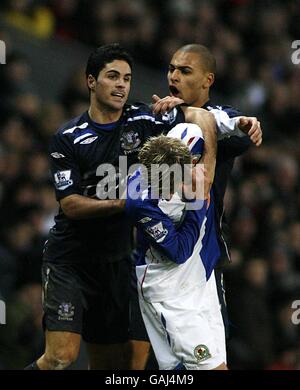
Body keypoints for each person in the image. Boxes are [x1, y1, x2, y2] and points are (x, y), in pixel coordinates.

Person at [25, 43, 225, 370]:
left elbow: (199, 115)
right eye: (112, 76)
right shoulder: (68, 137)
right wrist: (128, 204)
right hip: (71, 261)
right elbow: (71, 205)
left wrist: (211, 161)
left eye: (127, 79)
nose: (121, 85)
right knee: (61, 358)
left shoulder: (142, 119)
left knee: (112, 366)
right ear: (91, 81)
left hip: (117, 263)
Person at [128, 44, 263, 369]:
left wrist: (192, 115)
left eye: (185, 71)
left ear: (207, 79)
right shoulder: (153, 118)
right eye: (172, 68)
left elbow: (242, 135)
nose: (174, 76)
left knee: (198, 362)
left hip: (201, 260)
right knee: (137, 359)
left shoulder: (221, 119)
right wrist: (176, 115)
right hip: (157, 259)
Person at [126, 130, 227, 370]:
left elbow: (202, 119)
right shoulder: (140, 201)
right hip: (169, 292)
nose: (169, 192)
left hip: (201, 280)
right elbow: (179, 251)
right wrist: (199, 200)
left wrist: (237, 123)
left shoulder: (184, 146)